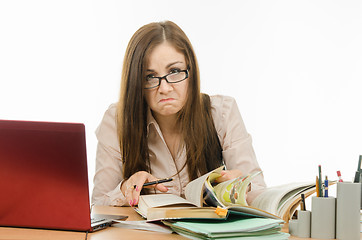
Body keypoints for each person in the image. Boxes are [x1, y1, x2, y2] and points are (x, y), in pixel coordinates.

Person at [92, 20, 266, 207]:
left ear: (191, 71)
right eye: (150, 76)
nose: (164, 88)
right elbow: (98, 206)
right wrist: (126, 188)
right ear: (136, 82)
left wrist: (242, 187)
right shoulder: (117, 121)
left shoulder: (222, 112)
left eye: (174, 71)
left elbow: (260, 193)